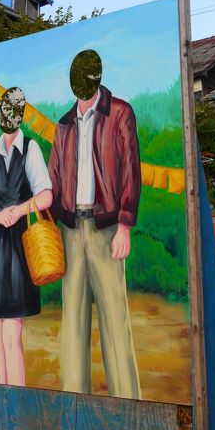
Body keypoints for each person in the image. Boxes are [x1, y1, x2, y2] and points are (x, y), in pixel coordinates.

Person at [48, 49, 141, 399]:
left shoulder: (119, 113)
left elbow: (131, 170)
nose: (79, 86)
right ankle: (75, 398)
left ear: (96, 78)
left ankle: (128, 400)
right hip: (70, 228)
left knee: (114, 317)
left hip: (105, 227)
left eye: (83, 79)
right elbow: (55, 178)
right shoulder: (64, 124)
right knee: (72, 317)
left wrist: (125, 225)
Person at [0, 87, 53, 387]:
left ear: (19, 115)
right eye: (4, 109)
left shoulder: (30, 148)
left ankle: (16, 397)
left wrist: (18, 211)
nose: (7, 115)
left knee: (12, 331)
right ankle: (3, 395)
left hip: (22, 245)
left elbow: (46, 196)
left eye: (14, 109)